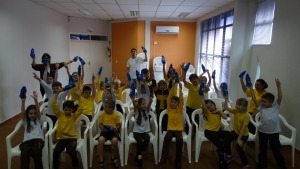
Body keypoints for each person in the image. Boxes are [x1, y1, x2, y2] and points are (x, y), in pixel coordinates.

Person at [249, 79, 286, 169]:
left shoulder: (275, 107)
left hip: (274, 133)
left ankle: (281, 165)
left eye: (264, 101)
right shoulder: (261, 108)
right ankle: (262, 164)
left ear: (271, 103)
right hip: (263, 132)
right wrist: (250, 88)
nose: (262, 103)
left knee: (276, 150)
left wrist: (279, 87)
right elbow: (254, 98)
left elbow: (280, 98)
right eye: (262, 101)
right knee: (263, 149)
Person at [51, 89, 83, 169]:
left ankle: (75, 164)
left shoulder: (73, 116)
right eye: (66, 110)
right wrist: (57, 93)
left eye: (70, 110)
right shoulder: (60, 114)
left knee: (71, 150)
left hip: (72, 138)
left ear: (72, 110)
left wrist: (79, 97)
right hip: (61, 139)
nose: (68, 111)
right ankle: (55, 165)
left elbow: (81, 108)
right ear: (63, 109)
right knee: (56, 151)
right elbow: (53, 104)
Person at [200, 96, 230, 169]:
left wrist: (219, 111)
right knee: (220, 145)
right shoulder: (208, 113)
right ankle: (221, 161)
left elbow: (225, 117)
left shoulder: (218, 112)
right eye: (209, 107)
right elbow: (204, 107)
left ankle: (224, 148)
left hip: (217, 131)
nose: (211, 108)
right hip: (209, 132)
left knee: (229, 133)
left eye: (211, 105)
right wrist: (201, 98)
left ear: (214, 104)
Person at [158, 82, 182, 169]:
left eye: (175, 102)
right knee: (166, 138)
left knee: (180, 140)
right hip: (170, 130)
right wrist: (172, 89)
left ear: (178, 104)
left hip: (178, 130)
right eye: (172, 102)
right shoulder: (169, 109)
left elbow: (181, 100)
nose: (173, 103)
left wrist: (180, 90)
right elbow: (168, 99)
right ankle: (164, 157)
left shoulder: (179, 109)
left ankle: (178, 160)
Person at [223, 94, 250, 169]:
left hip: (243, 134)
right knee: (226, 141)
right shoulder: (236, 111)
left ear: (244, 107)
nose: (237, 106)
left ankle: (246, 164)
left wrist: (238, 139)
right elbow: (225, 108)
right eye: (237, 104)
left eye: (239, 105)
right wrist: (226, 99)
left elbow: (243, 129)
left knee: (238, 148)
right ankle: (229, 156)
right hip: (235, 132)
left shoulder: (246, 116)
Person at [19, 91, 44, 169]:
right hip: (27, 141)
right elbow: (23, 112)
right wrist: (23, 101)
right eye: (30, 113)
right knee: (25, 153)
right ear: (27, 114)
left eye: (34, 113)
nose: (33, 115)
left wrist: (36, 101)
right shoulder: (25, 121)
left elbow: (38, 110)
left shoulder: (38, 119)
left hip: (38, 140)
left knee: (36, 153)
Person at [130, 96, 153, 169]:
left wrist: (150, 102)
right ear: (139, 106)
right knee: (139, 141)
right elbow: (134, 105)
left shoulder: (147, 111)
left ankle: (137, 155)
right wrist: (133, 100)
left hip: (144, 131)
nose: (145, 105)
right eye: (143, 104)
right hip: (136, 131)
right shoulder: (136, 111)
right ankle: (140, 159)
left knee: (147, 139)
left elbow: (149, 106)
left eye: (145, 104)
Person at [97, 100, 121, 169]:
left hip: (113, 132)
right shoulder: (103, 115)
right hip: (105, 131)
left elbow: (118, 125)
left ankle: (113, 156)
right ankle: (101, 159)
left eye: (106, 107)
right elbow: (100, 125)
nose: (104, 108)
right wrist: (103, 129)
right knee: (100, 140)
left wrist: (116, 128)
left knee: (115, 140)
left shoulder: (116, 115)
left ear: (111, 109)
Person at [181, 62, 201, 135]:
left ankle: (195, 134)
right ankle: (188, 134)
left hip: (198, 107)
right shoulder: (190, 86)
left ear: (197, 79)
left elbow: (207, 89)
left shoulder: (200, 87)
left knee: (196, 121)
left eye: (195, 79)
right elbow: (183, 80)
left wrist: (204, 84)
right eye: (192, 80)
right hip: (189, 106)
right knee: (188, 120)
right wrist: (184, 71)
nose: (193, 80)